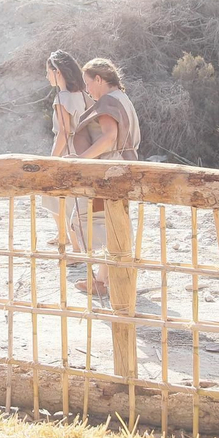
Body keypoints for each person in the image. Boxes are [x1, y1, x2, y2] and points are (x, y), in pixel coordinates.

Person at [70, 57, 141, 296]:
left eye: (89, 83)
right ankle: (101, 281)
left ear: (99, 79)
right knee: (111, 222)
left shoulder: (109, 101)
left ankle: (108, 276)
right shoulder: (123, 99)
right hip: (122, 168)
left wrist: (82, 159)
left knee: (87, 220)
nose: (87, 90)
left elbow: (109, 137)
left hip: (108, 171)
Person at [42, 51, 89, 251]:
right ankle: (65, 235)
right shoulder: (81, 95)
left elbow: (63, 131)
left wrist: (52, 160)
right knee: (63, 197)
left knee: (61, 197)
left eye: (48, 72)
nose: (46, 77)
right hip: (81, 150)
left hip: (66, 151)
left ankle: (75, 246)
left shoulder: (62, 98)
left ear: (57, 72)